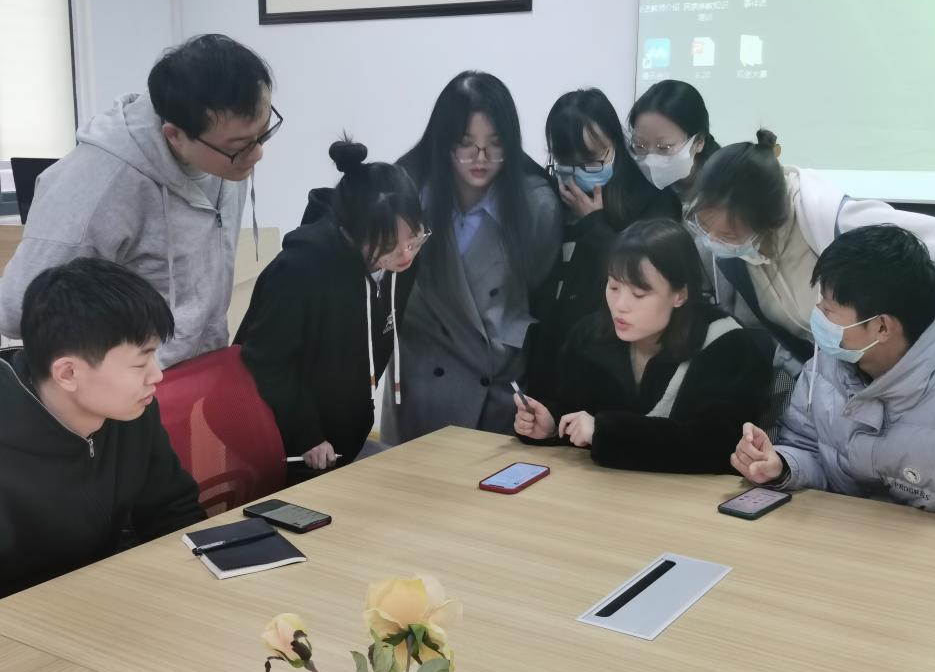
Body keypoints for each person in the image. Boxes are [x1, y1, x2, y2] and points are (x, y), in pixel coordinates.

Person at [0, 34, 279, 367]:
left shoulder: (224, 156)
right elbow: (19, 312)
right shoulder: (96, 186)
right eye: (239, 146)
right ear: (174, 135)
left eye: (263, 133)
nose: (257, 154)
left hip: (199, 369)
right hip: (130, 385)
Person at [731, 225, 935, 530]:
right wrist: (781, 464)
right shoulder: (823, 369)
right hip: (839, 540)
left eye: (828, 309)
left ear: (882, 327)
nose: (816, 314)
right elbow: (809, 451)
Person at [687, 129, 935, 372]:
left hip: (902, 375)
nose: (713, 241)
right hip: (833, 383)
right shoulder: (734, 255)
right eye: (704, 226)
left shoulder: (832, 220)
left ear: (766, 223)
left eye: (727, 235)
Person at [0, 258, 205, 598]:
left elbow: (173, 511)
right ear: (68, 373)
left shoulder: (131, 411)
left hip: (108, 598)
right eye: (140, 363)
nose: (156, 375)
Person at [384, 71, 561, 443]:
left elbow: (537, 291)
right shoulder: (409, 193)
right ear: (443, 141)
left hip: (497, 389)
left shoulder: (535, 205)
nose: (481, 158)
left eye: (495, 144)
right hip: (421, 385)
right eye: (466, 143)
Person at [515, 219, 771, 473]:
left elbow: (717, 444)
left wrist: (606, 432)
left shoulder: (724, 343)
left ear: (679, 294)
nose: (620, 305)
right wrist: (551, 425)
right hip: (602, 488)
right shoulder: (591, 335)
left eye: (639, 294)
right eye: (614, 286)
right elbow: (573, 409)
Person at [235, 141, 426, 479]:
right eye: (388, 245)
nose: (406, 255)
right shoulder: (299, 270)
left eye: (414, 239)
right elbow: (267, 361)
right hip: (285, 442)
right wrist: (305, 434)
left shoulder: (400, 261)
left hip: (342, 440)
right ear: (350, 233)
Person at [529, 88, 680, 402]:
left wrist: (594, 224)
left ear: (616, 147)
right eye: (565, 161)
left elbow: (646, 277)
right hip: (551, 358)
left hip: (612, 364)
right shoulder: (548, 199)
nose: (577, 173)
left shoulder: (652, 201)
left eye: (592, 161)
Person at [627, 79, 720, 206]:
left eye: (664, 148)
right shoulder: (634, 179)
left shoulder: (725, 190)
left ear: (699, 142)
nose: (650, 161)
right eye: (640, 146)